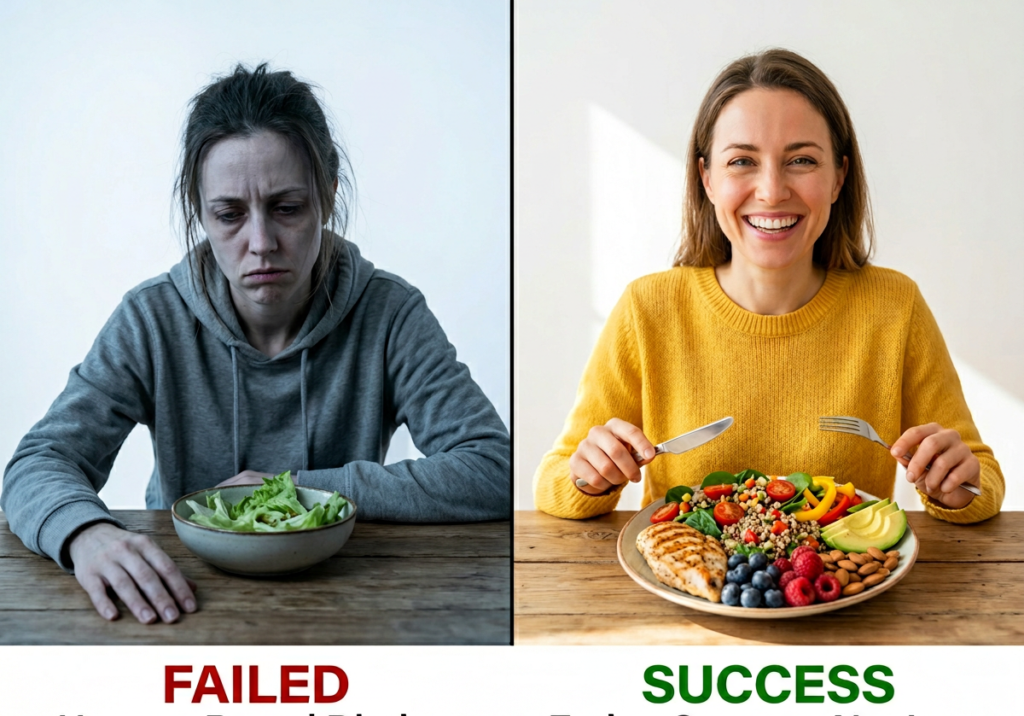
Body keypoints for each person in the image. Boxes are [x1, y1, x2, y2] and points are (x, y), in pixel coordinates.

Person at [2, 63, 510, 624]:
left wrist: (293, 490)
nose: (261, 242)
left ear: (328, 196)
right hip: (181, 602)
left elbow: (493, 469)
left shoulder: (390, 313)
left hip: (350, 601)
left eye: (287, 209)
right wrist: (86, 533)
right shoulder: (151, 319)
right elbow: (39, 461)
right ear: (199, 211)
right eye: (229, 215)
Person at [534, 48, 1003, 522]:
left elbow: (981, 481)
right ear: (707, 178)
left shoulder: (895, 306)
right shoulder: (647, 308)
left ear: (839, 177)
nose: (772, 191)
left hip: (846, 571)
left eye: (801, 160)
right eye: (742, 161)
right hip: (686, 567)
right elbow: (553, 482)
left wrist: (957, 482)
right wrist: (589, 474)